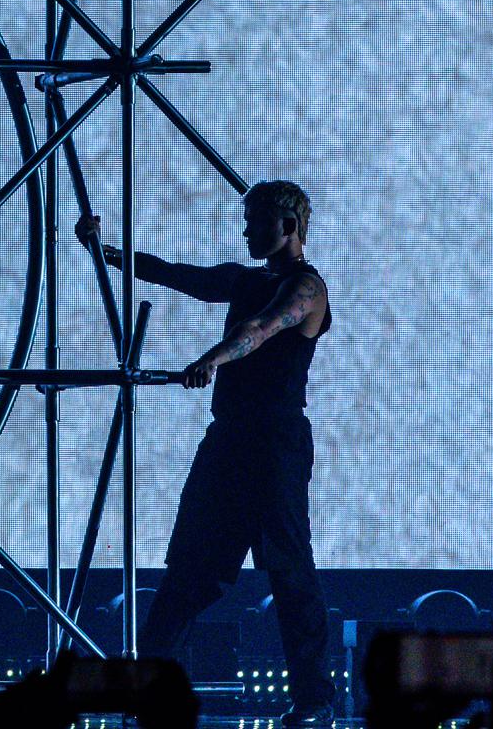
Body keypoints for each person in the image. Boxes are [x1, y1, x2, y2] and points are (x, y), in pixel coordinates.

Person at [77, 180, 335, 729]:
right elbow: (178, 275)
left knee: (289, 572)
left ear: (287, 226)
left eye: (256, 221)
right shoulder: (247, 280)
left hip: (275, 447)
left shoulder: (307, 289)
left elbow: (260, 329)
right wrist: (107, 252)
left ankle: (314, 698)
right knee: (190, 570)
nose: (246, 231)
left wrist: (213, 360)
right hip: (229, 444)